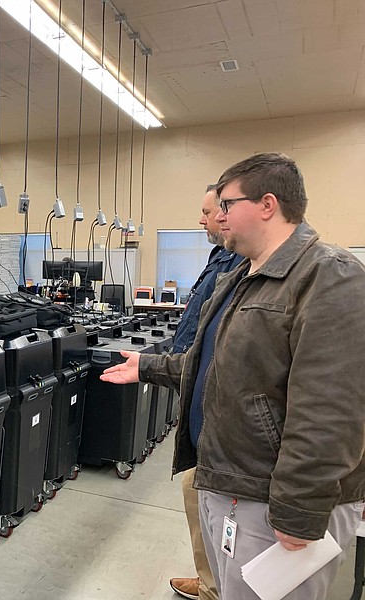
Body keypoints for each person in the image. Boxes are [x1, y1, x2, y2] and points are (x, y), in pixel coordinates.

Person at [102, 153, 365, 599]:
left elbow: (331, 410)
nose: (217, 216)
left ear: (267, 204)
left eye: (226, 204)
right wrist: (147, 366)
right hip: (227, 480)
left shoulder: (329, 277)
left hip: (275, 502)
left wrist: (299, 510)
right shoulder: (242, 276)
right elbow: (220, 365)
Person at [170, 184, 244, 600]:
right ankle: (211, 581)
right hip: (198, 393)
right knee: (195, 492)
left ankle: (217, 586)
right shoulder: (223, 257)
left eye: (209, 211)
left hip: (221, 407)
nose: (203, 220)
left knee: (209, 498)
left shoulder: (250, 265)